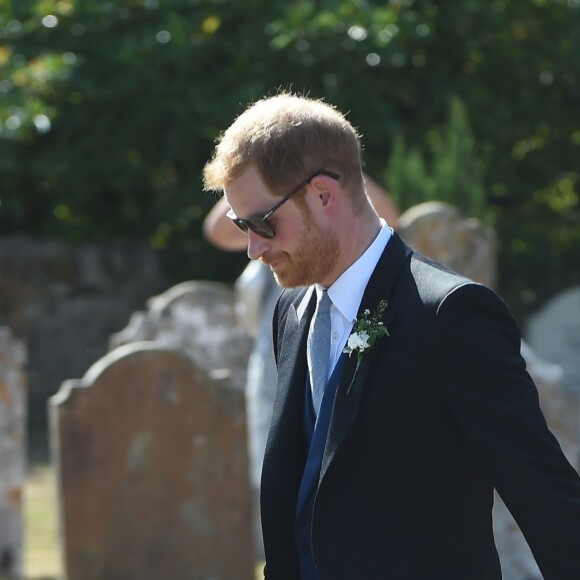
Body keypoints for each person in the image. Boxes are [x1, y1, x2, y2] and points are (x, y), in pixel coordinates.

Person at [202, 92, 580, 580]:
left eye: (261, 223)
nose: (253, 248)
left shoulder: (449, 312)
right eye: (241, 224)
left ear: (322, 194)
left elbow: (541, 487)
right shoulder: (291, 310)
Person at [202, 169, 398, 562]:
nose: (255, 245)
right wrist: (262, 178)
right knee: (279, 467)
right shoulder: (262, 216)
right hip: (276, 352)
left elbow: (387, 216)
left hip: (334, 338)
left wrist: (329, 165)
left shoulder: (329, 198)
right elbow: (217, 231)